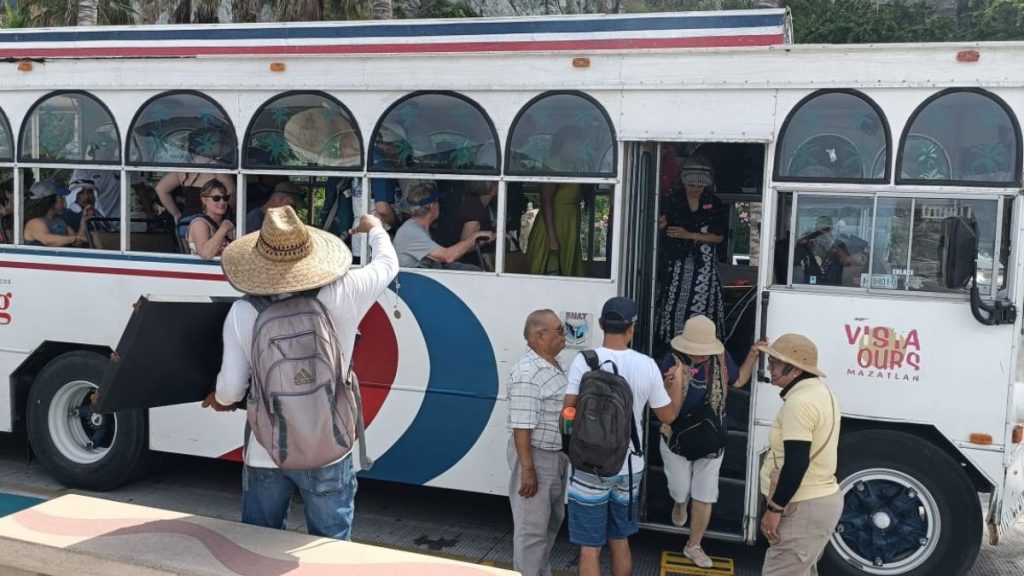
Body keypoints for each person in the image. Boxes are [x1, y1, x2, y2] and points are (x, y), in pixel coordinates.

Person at [202, 206, 398, 540]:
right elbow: (387, 264)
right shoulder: (346, 290)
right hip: (330, 445)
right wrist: (375, 227)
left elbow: (232, 389)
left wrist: (218, 400)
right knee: (329, 550)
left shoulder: (244, 310)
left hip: (267, 450)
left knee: (260, 546)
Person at [562, 297, 685, 576]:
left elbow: (569, 410)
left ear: (602, 324)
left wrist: (570, 446)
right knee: (619, 539)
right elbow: (667, 417)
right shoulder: (647, 365)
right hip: (630, 467)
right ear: (632, 328)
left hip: (589, 464)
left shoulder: (585, 361)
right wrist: (676, 384)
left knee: (589, 547)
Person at [657, 316, 763, 568]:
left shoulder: (721, 359)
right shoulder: (671, 359)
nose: (697, 356)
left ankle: (693, 545)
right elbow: (658, 399)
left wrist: (753, 354)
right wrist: (667, 383)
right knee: (680, 488)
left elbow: (737, 381)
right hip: (676, 435)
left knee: (705, 494)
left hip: (711, 435)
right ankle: (680, 503)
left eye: (701, 352)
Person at [756, 334, 841, 576]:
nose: (770, 367)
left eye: (774, 362)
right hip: (820, 500)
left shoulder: (799, 404)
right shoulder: (821, 392)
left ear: (793, 370)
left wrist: (775, 509)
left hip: (802, 506)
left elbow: (796, 462)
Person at [506, 309, 570, 576]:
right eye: (559, 329)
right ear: (540, 335)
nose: (564, 334)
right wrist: (528, 470)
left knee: (551, 522)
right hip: (536, 457)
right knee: (532, 531)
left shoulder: (552, 364)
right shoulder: (527, 374)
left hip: (554, 456)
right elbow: (522, 426)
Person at [657, 157, 727, 345]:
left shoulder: (713, 202)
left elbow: (719, 237)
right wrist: (661, 226)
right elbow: (662, 228)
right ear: (684, 182)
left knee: (705, 309)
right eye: (691, 184)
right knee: (673, 307)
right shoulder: (672, 200)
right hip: (676, 265)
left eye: (699, 185)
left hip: (704, 268)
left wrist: (689, 235)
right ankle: (673, 345)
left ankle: (705, 346)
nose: (695, 188)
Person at [525, 126, 586, 277]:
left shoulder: (572, 165)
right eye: (575, 143)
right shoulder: (554, 164)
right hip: (553, 226)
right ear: (565, 144)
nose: (577, 148)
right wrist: (552, 237)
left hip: (568, 225)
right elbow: (546, 201)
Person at [393, 181, 494, 269]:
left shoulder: (417, 228)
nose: (440, 205)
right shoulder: (411, 233)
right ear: (432, 207)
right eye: (438, 202)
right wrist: (473, 238)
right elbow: (448, 257)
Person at [433, 180, 498, 267]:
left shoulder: (483, 205)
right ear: (490, 187)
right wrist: (492, 237)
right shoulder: (473, 206)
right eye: (497, 183)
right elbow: (465, 246)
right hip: (457, 263)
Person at [23, 181, 94, 248]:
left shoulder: (59, 221)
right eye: (60, 197)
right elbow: (49, 241)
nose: (63, 199)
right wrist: (76, 238)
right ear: (51, 200)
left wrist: (84, 220)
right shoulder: (35, 223)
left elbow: (78, 242)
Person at [155, 171, 236, 224]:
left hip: (186, 222)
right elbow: (231, 192)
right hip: (210, 222)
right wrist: (229, 213)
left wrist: (176, 214)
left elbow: (161, 189)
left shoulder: (184, 167)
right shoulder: (218, 167)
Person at [371, 122, 408, 231]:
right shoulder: (380, 164)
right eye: (398, 146)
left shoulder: (369, 159)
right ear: (388, 144)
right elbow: (383, 209)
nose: (398, 152)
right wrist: (399, 228)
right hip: (379, 231)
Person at [187, 180, 235, 260]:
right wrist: (223, 229)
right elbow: (206, 254)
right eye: (216, 198)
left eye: (225, 198)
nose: (222, 202)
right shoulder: (199, 223)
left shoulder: (228, 223)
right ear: (204, 200)